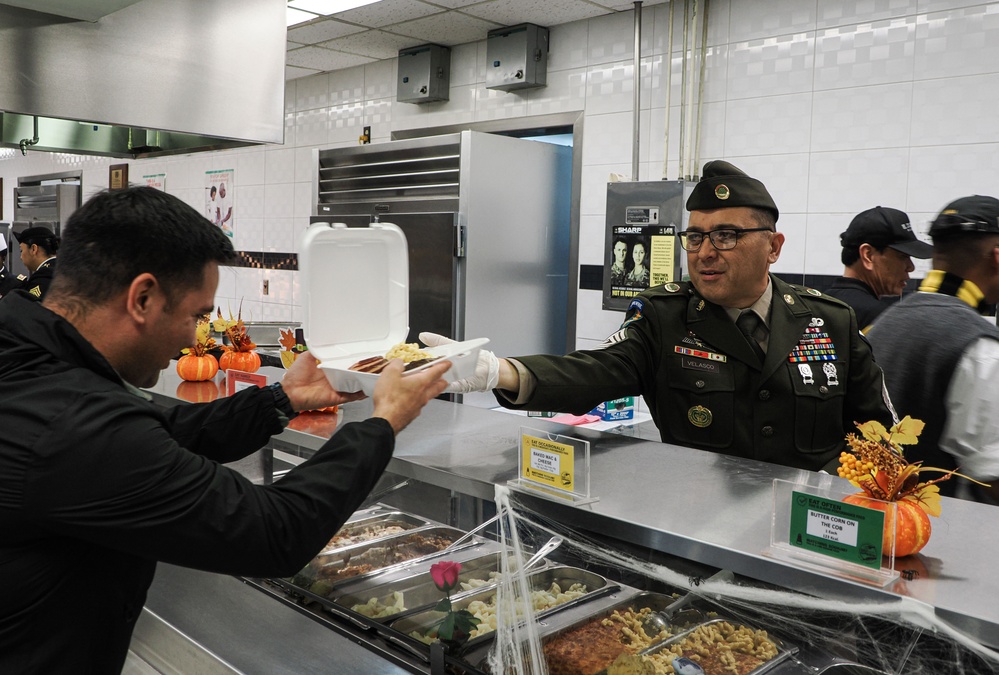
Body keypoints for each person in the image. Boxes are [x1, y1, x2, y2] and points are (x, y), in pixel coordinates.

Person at [0, 187, 452, 673]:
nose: (191, 338)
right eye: (196, 316)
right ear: (143, 298)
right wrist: (383, 423)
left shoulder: (28, 354)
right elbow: (275, 532)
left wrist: (283, 399)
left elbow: (164, 430)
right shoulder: (70, 423)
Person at [424, 160, 896, 472]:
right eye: (695, 237)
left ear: (773, 247)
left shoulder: (830, 321)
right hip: (698, 526)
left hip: (806, 534)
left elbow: (879, 436)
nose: (705, 252)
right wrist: (500, 372)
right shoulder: (664, 317)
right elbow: (597, 372)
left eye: (727, 236)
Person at [866, 195, 999, 503]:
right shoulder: (981, 347)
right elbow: (992, 478)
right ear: (996, 257)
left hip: (874, 522)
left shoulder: (882, 324)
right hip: (940, 538)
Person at [825, 206, 932, 332]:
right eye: (902, 256)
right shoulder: (879, 319)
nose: (911, 267)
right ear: (868, 255)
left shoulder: (817, 305)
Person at [14, 225, 59, 301]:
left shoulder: (43, 278)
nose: (21, 257)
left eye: (21, 250)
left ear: (34, 249)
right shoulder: (66, 269)